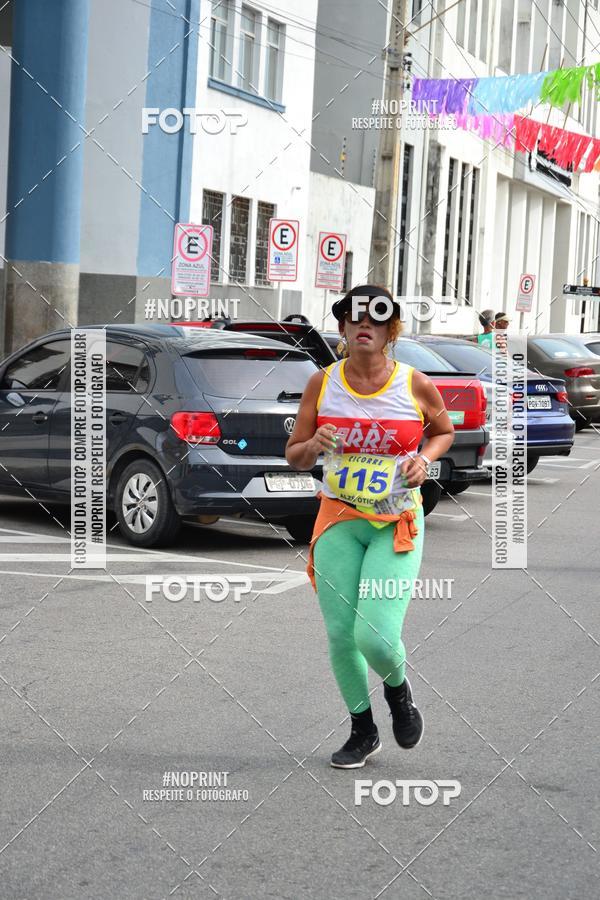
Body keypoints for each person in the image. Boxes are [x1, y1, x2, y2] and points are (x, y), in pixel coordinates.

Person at [285, 284, 455, 768]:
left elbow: (444, 431)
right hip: (338, 518)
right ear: (341, 328)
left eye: (377, 320)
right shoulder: (322, 383)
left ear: (389, 330)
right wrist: (315, 442)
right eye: (355, 318)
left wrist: (425, 459)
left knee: (374, 635)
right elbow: (295, 457)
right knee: (341, 635)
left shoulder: (414, 383)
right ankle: (363, 729)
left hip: (395, 521)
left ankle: (399, 694)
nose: (365, 326)